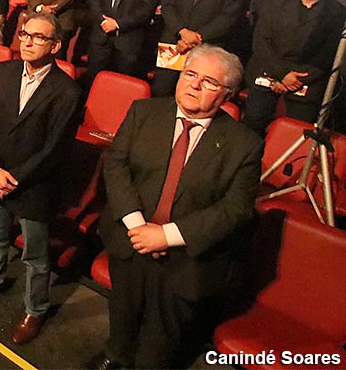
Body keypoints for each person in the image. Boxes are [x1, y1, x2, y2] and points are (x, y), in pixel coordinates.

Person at [94, 45, 262, 370]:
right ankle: (116, 357)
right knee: (122, 320)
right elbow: (116, 165)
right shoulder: (143, 112)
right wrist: (137, 226)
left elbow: (235, 209)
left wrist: (167, 236)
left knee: (159, 345)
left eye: (209, 81)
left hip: (186, 260)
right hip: (129, 242)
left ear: (229, 94)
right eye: (190, 74)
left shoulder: (244, 145)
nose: (194, 85)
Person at [0, 13, 80, 344]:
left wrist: (16, 177)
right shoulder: (5, 70)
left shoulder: (66, 90)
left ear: (55, 45)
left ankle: (35, 309)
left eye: (38, 37)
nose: (27, 40)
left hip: (34, 185)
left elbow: (55, 149)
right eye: (25, 34)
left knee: (35, 257)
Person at [242, 0, 345, 134]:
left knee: (298, 130)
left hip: (306, 80)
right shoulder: (275, 1)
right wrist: (282, 74)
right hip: (268, 70)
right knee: (253, 122)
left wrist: (294, 81)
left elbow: (328, 56)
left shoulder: (338, 12)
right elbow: (261, 43)